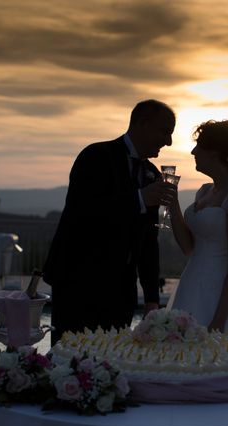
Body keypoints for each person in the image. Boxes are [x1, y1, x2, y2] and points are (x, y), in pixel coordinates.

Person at [43, 99, 176, 345]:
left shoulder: (153, 174)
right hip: (78, 282)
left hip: (121, 291)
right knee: (69, 361)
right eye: (165, 131)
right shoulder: (95, 156)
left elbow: (148, 241)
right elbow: (83, 212)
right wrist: (139, 198)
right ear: (144, 124)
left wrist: (151, 299)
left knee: (113, 364)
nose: (168, 141)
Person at [166, 120, 228, 335]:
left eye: (198, 145)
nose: (193, 151)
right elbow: (189, 249)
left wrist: (219, 319)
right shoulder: (204, 191)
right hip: (191, 285)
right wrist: (172, 205)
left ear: (214, 153)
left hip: (219, 295)